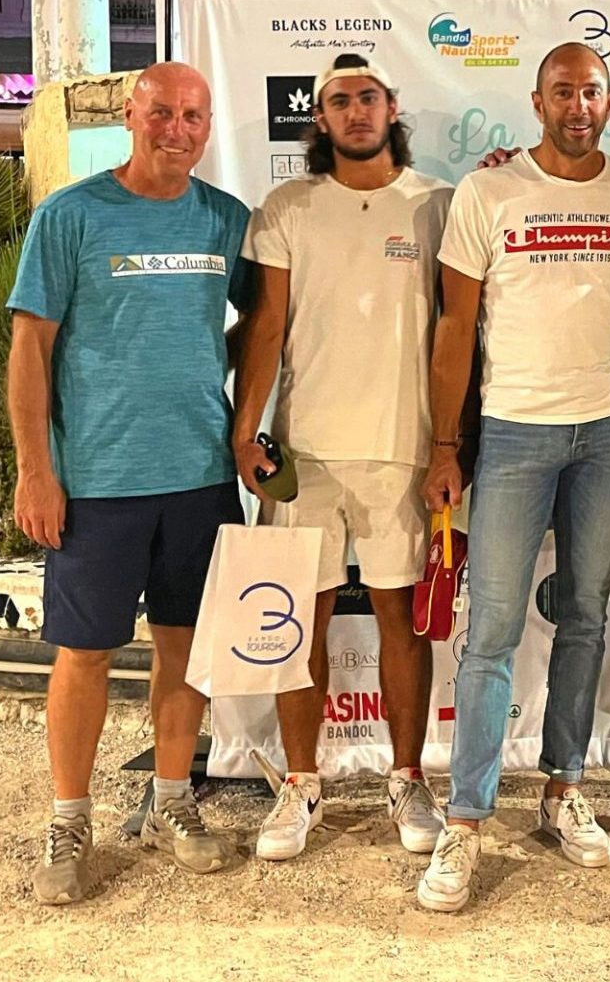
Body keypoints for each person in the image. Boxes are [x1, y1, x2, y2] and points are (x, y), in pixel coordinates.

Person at [414, 43, 610, 913]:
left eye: (591, 91)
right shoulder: (487, 193)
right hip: (513, 432)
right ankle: (468, 819)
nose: (577, 104)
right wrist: (446, 446)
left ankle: (564, 788)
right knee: (489, 632)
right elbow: (455, 329)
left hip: (606, 430)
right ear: (537, 99)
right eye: (562, 90)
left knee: (586, 619)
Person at [9, 62, 252, 905]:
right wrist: (36, 471)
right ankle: (68, 820)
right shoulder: (69, 216)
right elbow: (30, 350)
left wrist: (250, 424)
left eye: (191, 115)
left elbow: (268, 322)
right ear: (130, 115)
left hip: (199, 477)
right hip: (98, 483)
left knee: (184, 648)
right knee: (85, 653)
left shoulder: (226, 220)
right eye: (160, 114)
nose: (175, 130)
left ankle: (173, 802)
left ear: (208, 124)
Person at [233, 54, 451, 863]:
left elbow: (459, 333)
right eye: (338, 102)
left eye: (367, 98)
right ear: (318, 118)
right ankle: (300, 782)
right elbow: (265, 328)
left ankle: (406, 777)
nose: (355, 111)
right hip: (305, 452)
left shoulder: (438, 203)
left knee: (401, 619)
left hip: (402, 452)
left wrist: (447, 444)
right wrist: (243, 426)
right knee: (298, 623)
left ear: (391, 107)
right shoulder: (288, 206)